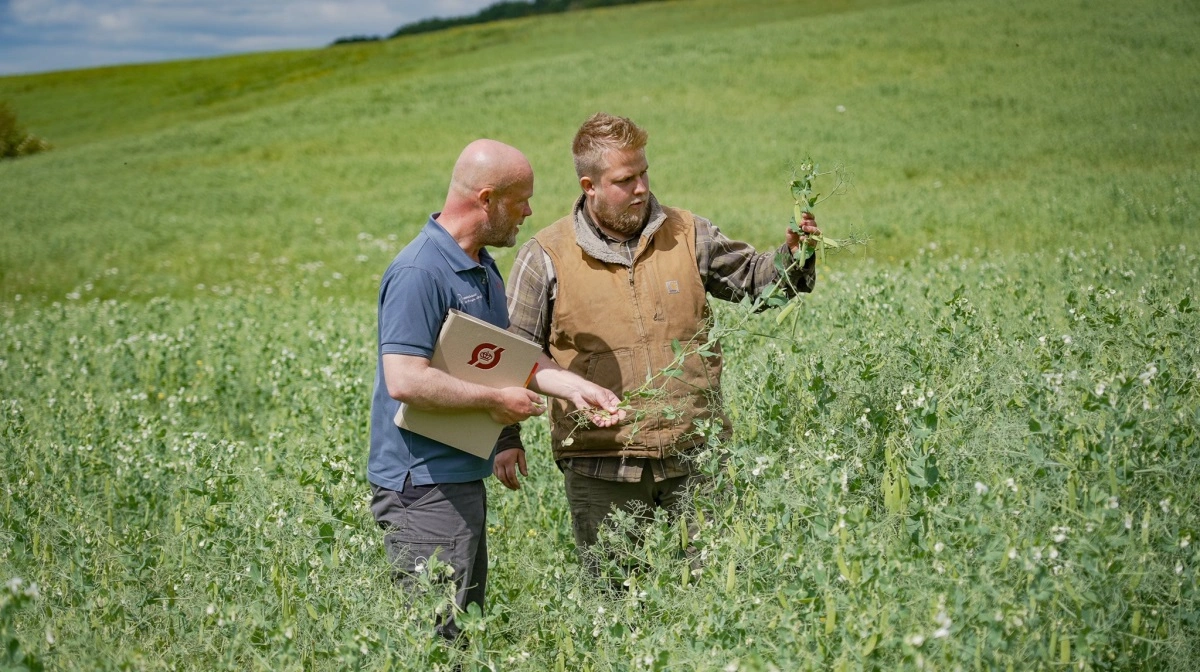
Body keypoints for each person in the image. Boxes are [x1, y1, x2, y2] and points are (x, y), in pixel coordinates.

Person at [498, 113, 822, 568]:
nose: (641, 188)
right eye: (624, 179)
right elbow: (512, 356)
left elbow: (756, 282)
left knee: (720, 595)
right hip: (601, 468)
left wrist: (795, 255)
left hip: (697, 460)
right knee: (617, 606)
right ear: (589, 185)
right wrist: (505, 435)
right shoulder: (545, 256)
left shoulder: (689, 233)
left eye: (643, 172)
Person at [368, 138, 623, 640]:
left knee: (460, 629)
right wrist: (494, 401)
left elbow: (512, 363)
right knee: (433, 638)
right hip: (420, 487)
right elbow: (405, 379)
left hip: (457, 478)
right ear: (486, 199)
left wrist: (573, 388)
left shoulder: (482, 266)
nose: (529, 211)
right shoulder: (419, 271)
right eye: (520, 199)